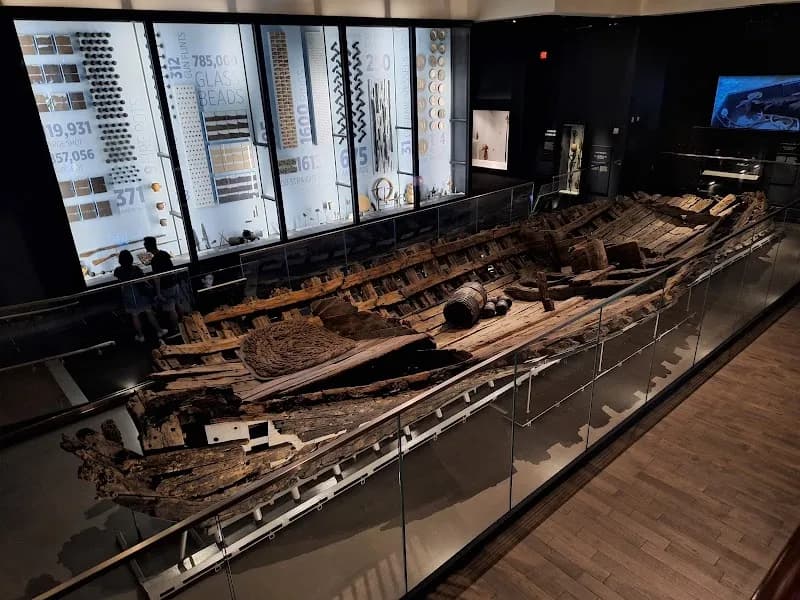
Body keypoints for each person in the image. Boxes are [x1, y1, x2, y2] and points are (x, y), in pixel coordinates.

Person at [113, 250, 167, 342]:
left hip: (128, 295)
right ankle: (159, 331)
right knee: (149, 312)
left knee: (135, 316)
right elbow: (143, 280)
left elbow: (120, 282)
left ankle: (141, 336)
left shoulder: (118, 270)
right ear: (131, 259)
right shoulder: (136, 269)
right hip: (141, 294)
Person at [144, 236, 189, 329]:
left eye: (145, 244)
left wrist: (158, 292)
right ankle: (186, 324)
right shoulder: (164, 254)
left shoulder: (155, 260)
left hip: (166, 287)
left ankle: (177, 329)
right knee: (178, 304)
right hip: (174, 283)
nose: (144, 246)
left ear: (148, 246)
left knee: (171, 309)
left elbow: (157, 277)